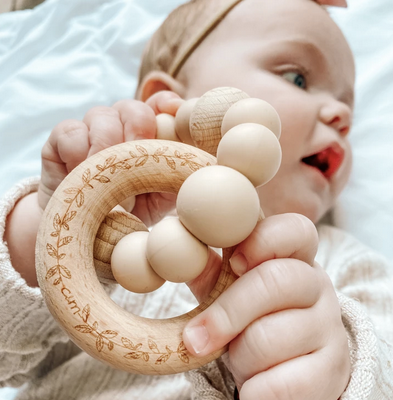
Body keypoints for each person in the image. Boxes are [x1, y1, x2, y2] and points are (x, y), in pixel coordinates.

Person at [1, 0, 392, 399]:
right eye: (297, 78)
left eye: (350, 108)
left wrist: (338, 374)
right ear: (174, 101)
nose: (341, 114)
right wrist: (43, 232)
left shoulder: (348, 269)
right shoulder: (104, 239)